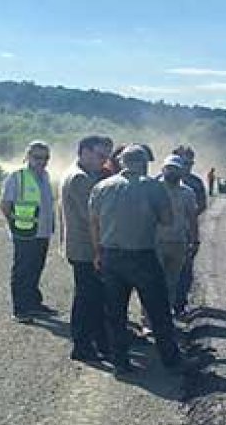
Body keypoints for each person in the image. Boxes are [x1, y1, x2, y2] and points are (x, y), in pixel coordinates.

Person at [89, 144, 196, 375]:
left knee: (116, 312)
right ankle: (171, 359)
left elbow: (94, 222)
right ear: (143, 164)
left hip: (110, 256)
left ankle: (120, 362)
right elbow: (167, 220)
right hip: (142, 255)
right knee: (158, 310)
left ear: (122, 163)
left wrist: (98, 253)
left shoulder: (101, 187)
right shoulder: (153, 187)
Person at [61, 135, 114, 361]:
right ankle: (82, 346)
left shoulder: (84, 174)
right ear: (84, 151)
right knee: (87, 298)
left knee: (93, 297)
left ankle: (98, 342)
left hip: (85, 246)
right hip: (85, 247)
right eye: (100, 156)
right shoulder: (80, 179)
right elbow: (91, 216)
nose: (104, 161)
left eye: (106, 157)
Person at [0, 141, 57, 323]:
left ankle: (34, 304)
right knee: (23, 271)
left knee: (36, 268)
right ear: (28, 157)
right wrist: (15, 225)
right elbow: (5, 204)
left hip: (42, 232)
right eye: (37, 157)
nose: (42, 161)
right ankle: (21, 309)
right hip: (24, 233)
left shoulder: (45, 176)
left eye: (45, 158)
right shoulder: (17, 177)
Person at [155, 155, 200, 317]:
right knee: (153, 283)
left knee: (172, 282)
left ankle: (166, 316)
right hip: (155, 243)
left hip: (178, 242)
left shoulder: (187, 192)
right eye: (169, 168)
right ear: (163, 169)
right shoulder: (153, 188)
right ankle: (148, 320)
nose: (172, 172)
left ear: (182, 172)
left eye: (176, 169)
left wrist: (195, 241)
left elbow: (192, 218)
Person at [172, 146, 207, 316]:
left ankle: (180, 304)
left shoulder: (195, 183)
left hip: (185, 233)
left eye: (190, 163)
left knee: (185, 270)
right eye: (184, 162)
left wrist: (187, 217)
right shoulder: (158, 181)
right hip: (163, 235)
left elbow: (202, 205)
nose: (187, 166)